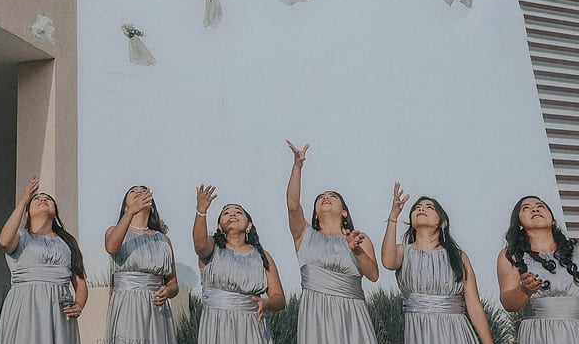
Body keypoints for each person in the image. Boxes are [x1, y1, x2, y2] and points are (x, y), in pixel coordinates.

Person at [285, 141, 378, 343]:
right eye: (321, 197)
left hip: (352, 315)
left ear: (344, 211)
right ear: (315, 214)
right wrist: (297, 166)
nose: (326, 198)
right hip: (315, 316)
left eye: (332, 196)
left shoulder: (358, 238)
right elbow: (293, 206)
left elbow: (373, 275)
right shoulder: (304, 234)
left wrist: (357, 251)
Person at [497, 195, 579, 343]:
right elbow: (508, 304)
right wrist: (524, 290)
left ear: (554, 220)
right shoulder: (511, 255)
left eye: (540, 206)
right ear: (519, 225)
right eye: (526, 208)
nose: (535, 208)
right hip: (540, 335)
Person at [380, 182, 494, 344]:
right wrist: (393, 217)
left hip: (457, 332)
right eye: (417, 207)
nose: (421, 209)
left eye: (429, 207)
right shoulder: (403, 251)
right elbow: (388, 262)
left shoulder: (459, 257)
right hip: (418, 333)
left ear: (443, 223)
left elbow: (474, 306)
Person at [0, 175, 88, 344]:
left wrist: (79, 305)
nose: (43, 199)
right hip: (26, 305)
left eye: (48, 199)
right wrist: (24, 200)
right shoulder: (20, 237)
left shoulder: (67, 242)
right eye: (37, 198)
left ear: (55, 211)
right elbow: (4, 242)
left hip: (59, 310)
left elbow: (80, 282)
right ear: (27, 212)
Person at [192, 184, 285, 343]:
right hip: (217, 324)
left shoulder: (263, 257)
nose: (232, 214)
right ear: (219, 226)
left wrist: (267, 303)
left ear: (249, 225)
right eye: (226, 213)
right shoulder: (212, 247)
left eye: (238, 212)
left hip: (252, 326)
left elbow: (279, 299)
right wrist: (201, 210)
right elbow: (199, 245)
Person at [105, 185, 180, 343]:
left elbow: (173, 282)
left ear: (151, 204)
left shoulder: (163, 239)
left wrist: (168, 290)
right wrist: (130, 212)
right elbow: (111, 247)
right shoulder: (113, 231)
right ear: (125, 205)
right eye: (133, 191)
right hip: (126, 303)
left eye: (143, 190)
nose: (138, 191)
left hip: (156, 306)